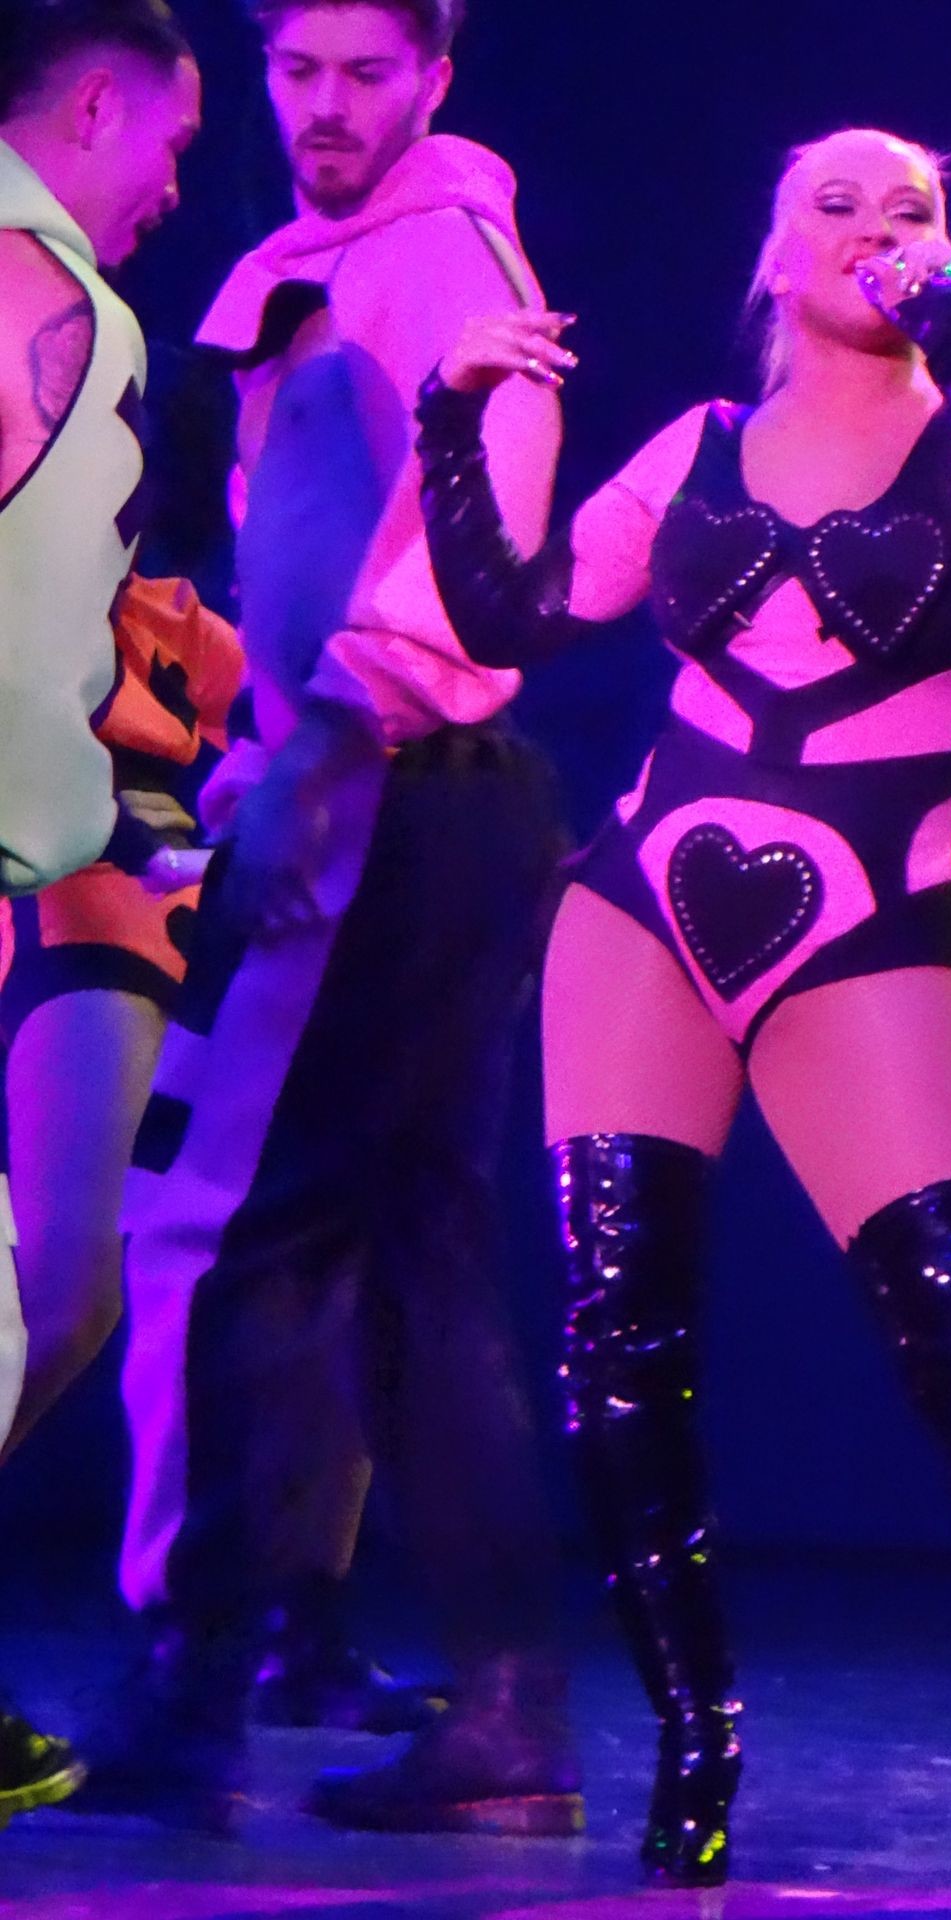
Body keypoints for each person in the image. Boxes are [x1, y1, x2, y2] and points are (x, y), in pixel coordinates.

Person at [418, 126, 951, 1907]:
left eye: (912, 211)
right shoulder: (695, 448)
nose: (873, 231)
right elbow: (510, 615)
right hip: (645, 908)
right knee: (618, 1341)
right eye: (835, 205)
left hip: (872, 915)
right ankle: (694, 1746)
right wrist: (452, 420)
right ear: (772, 253)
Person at [80, 0, 581, 1839]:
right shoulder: (339, 258)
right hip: (384, 785)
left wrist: (326, 739)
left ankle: (202, 1682)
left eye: (369, 73)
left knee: (251, 1244)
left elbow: (468, 535)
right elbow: (304, 529)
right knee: (404, 1258)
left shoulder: (444, 253)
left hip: (398, 791)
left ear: (436, 77)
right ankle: (499, 1703)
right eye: (298, 72)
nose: (326, 109)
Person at [0, 0, 201, 1830]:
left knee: (37, 1294)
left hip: (66, 876)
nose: (175, 186)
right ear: (92, 106)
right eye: (172, 142)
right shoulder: (43, 290)